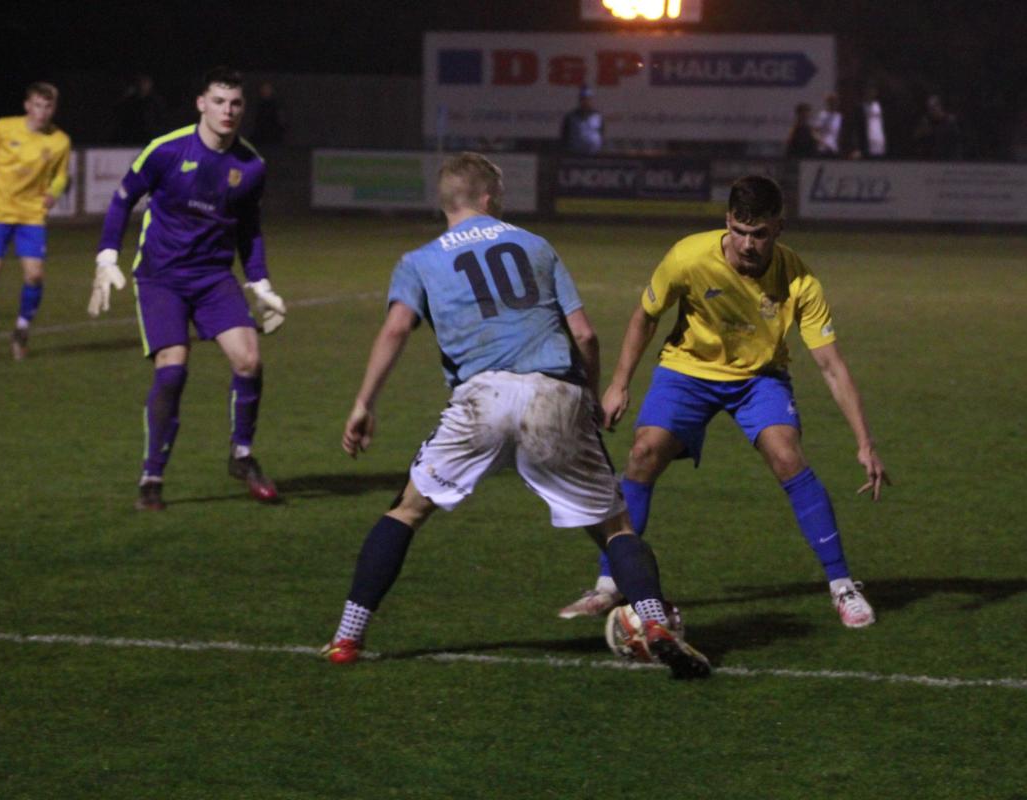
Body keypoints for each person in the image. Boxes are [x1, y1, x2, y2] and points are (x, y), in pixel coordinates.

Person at [322, 152, 709, 679]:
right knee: (615, 528)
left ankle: (347, 637)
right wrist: (589, 398)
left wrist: (364, 403)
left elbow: (395, 329)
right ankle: (655, 623)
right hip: (554, 393)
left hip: (481, 399)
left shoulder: (419, 260)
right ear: (488, 198)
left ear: (446, 201)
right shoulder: (535, 245)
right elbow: (586, 335)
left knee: (407, 511)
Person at [558, 175, 890, 629]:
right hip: (688, 370)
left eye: (760, 234)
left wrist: (864, 442)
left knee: (787, 456)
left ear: (779, 228)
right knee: (643, 453)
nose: (748, 244)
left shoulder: (800, 280)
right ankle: (609, 582)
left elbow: (831, 365)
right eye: (739, 230)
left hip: (759, 378)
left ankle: (842, 586)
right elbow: (645, 317)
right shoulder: (689, 256)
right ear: (728, 221)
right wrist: (619, 383)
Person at [88, 67, 288, 511]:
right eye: (218, 101)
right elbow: (122, 199)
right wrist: (106, 256)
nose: (227, 111)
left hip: (214, 278)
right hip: (161, 277)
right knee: (173, 368)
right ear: (201, 104)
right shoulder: (167, 150)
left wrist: (260, 282)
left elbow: (249, 229)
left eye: (235, 103)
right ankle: (152, 478)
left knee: (249, 360)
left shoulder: (251, 166)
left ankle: (241, 455)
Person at [0, 81, 71, 361]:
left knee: (35, 275)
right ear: (27, 106)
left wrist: (54, 192)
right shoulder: (4, 127)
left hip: (31, 214)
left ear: (54, 109)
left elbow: (61, 175)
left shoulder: (60, 141)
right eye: (37, 105)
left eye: (47, 106)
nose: (42, 111)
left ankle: (22, 330)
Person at [114, 74, 167, 145]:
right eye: (141, 82)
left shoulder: (155, 101)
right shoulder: (130, 101)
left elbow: (161, 119)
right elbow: (120, 114)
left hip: (151, 135)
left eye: (145, 82)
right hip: (133, 136)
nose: (143, 85)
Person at [912, 94, 962, 160]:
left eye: (933, 108)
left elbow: (956, 142)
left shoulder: (950, 122)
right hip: (932, 160)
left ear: (940, 107)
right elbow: (917, 139)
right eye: (929, 109)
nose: (931, 111)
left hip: (949, 159)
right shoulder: (927, 122)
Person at [846, 83, 887, 159]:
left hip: (881, 146)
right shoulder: (860, 108)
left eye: (872, 90)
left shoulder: (881, 107)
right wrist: (856, 147)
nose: (870, 92)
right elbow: (855, 128)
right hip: (866, 147)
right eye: (868, 90)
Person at [560, 85, 604, 155]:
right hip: (575, 155)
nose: (585, 101)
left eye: (588, 99)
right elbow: (565, 136)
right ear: (580, 100)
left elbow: (601, 133)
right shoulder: (570, 117)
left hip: (594, 155)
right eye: (583, 99)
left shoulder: (597, 117)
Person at [248, 81, 285, 146]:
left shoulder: (276, 106)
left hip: (273, 137)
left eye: (267, 90)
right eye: (264, 90)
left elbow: (280, 121)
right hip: (261, 137)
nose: (265, 92)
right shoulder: (259, 106)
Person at [812, 92, 842, 156]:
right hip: (823, 149)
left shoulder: (839, 116)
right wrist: (823, 143)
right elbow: (814, 132)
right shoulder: (822, 115)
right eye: (831, 102)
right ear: (827, 103)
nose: (833, 104)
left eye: (835, 102)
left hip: (835, 149)